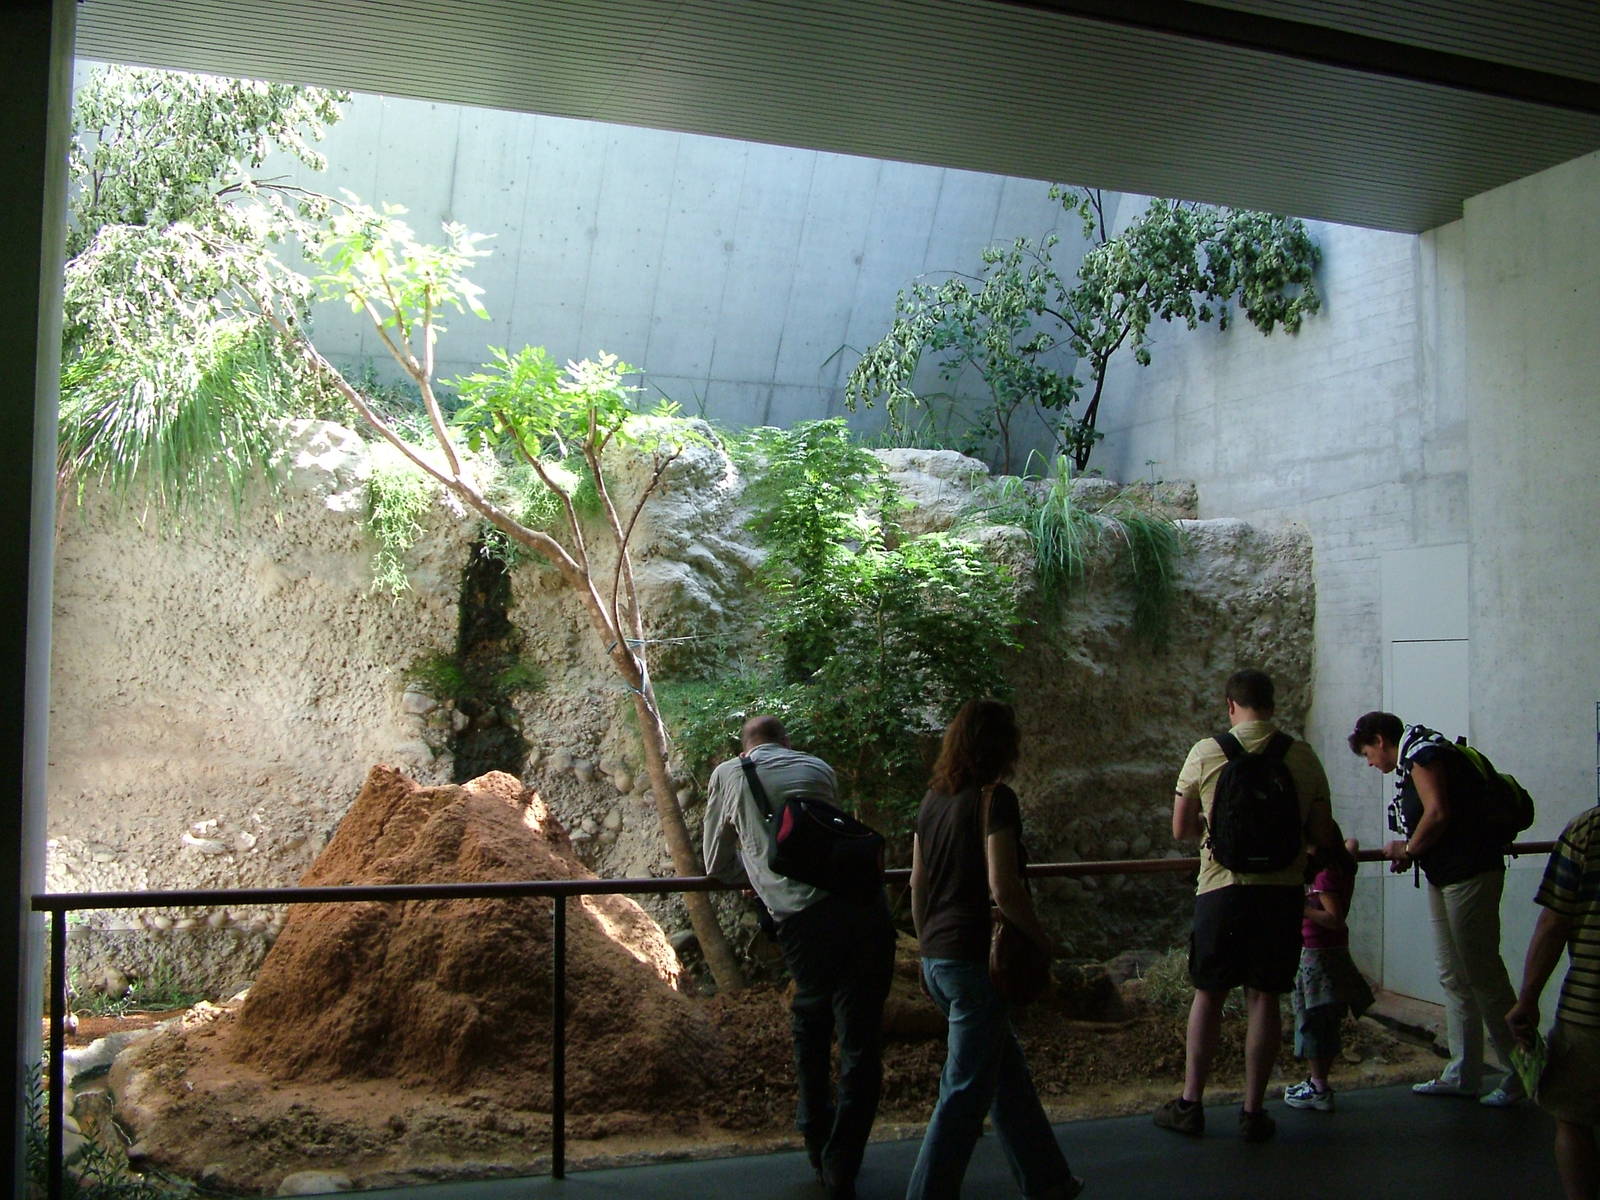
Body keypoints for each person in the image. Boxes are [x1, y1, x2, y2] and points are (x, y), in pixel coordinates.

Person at [703, 715, 895, 1200]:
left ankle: (816, 1143)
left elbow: (714, 864)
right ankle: (843, 1161)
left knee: (811, 1028)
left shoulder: (730, 773)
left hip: (806, 921)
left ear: (744, 746)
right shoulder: (818, 767)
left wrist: (751, 874)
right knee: (861, 1041)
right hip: (865, 909)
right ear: (786, 743)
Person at [906, 698, 1084, 1200]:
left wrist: (925, 947)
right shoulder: (996, 800)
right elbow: (1003, 888)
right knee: (963, 1093)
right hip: (973, 961)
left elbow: (918, 884)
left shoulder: (932, 799)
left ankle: (1049, 1180)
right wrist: (1041, 938)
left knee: (1007, 1077)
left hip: (939, 958)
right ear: (1003, 745)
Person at [1155, 668, 1339, 1143]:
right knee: (1264, 997)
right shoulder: (1302, 757)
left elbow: (1180, 830)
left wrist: (1210, 823)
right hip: (1280, 893)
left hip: (1222, 889)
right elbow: (1321, 833)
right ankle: (1253, 1111)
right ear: (1273, 706)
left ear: (1230, 706)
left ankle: (1190, 1103)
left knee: (1209, 994)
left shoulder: (1206, 752)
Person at [1348, 710, 1525, 1106]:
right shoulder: (1417, 758)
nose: (1372, 764)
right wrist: (1412, 849)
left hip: (1469, 875)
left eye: (1368, 754)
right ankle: (1463, 1072)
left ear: (1379, 740)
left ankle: (1524, 1071)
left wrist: (1409, 849)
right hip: (1444, 875)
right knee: (1454, 975)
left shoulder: (1423, 756)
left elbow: (1438, 811)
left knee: (1483, 976)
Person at [1507, 803, 1600, 1200]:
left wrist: (1527, 998)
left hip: (1590, 1007)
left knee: (1572, 1118)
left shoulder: (1588, 829)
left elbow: (1553, 923)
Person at [1282, 836, 1374, 1113]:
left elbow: (1334, 918)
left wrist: (1301, 907)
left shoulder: (1323, 878)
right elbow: (1353, 843)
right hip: (1329, 954)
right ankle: (1317, 1082)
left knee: (1313, 1021)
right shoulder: (1341, 869)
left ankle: (1319, 1088)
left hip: (1317, 955)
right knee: (1323, 1020)